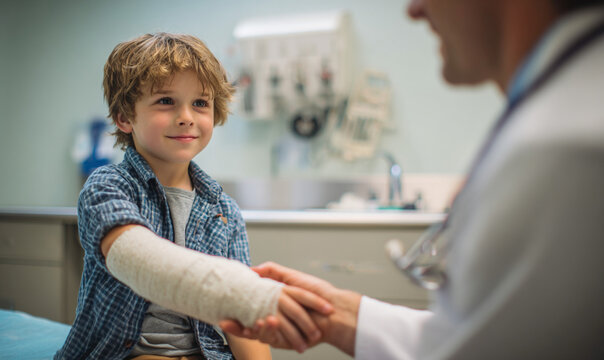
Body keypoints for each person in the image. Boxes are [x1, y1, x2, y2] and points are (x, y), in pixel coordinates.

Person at [220, 0, 604, 358]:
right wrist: (339, 315)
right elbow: (472, 336)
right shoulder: (561, 117)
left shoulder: (567, 147)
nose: (414, 10)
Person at [55, 33, 331, 360]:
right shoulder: (108, 186)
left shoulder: (224, 210)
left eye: (200, 103)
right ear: (125, 117)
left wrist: (247, 302)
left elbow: (238, 315)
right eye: (165, 101)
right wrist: (244, 293)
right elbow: (135, 258)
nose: (186, 116)